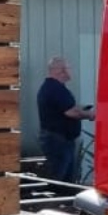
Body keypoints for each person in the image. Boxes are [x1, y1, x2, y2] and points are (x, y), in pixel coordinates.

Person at [37, 56, 94, 184]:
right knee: (58, 179)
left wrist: (81, 108)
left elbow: (65, 108)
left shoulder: (54, 88)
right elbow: (71, 112)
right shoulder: (55, 88)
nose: (70, 70)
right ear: (61, 70)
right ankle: (54, 202)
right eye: (68, 68)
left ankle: (63, 199)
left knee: (66, 179)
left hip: (61, 140)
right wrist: (90, 114)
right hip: (57, 141)